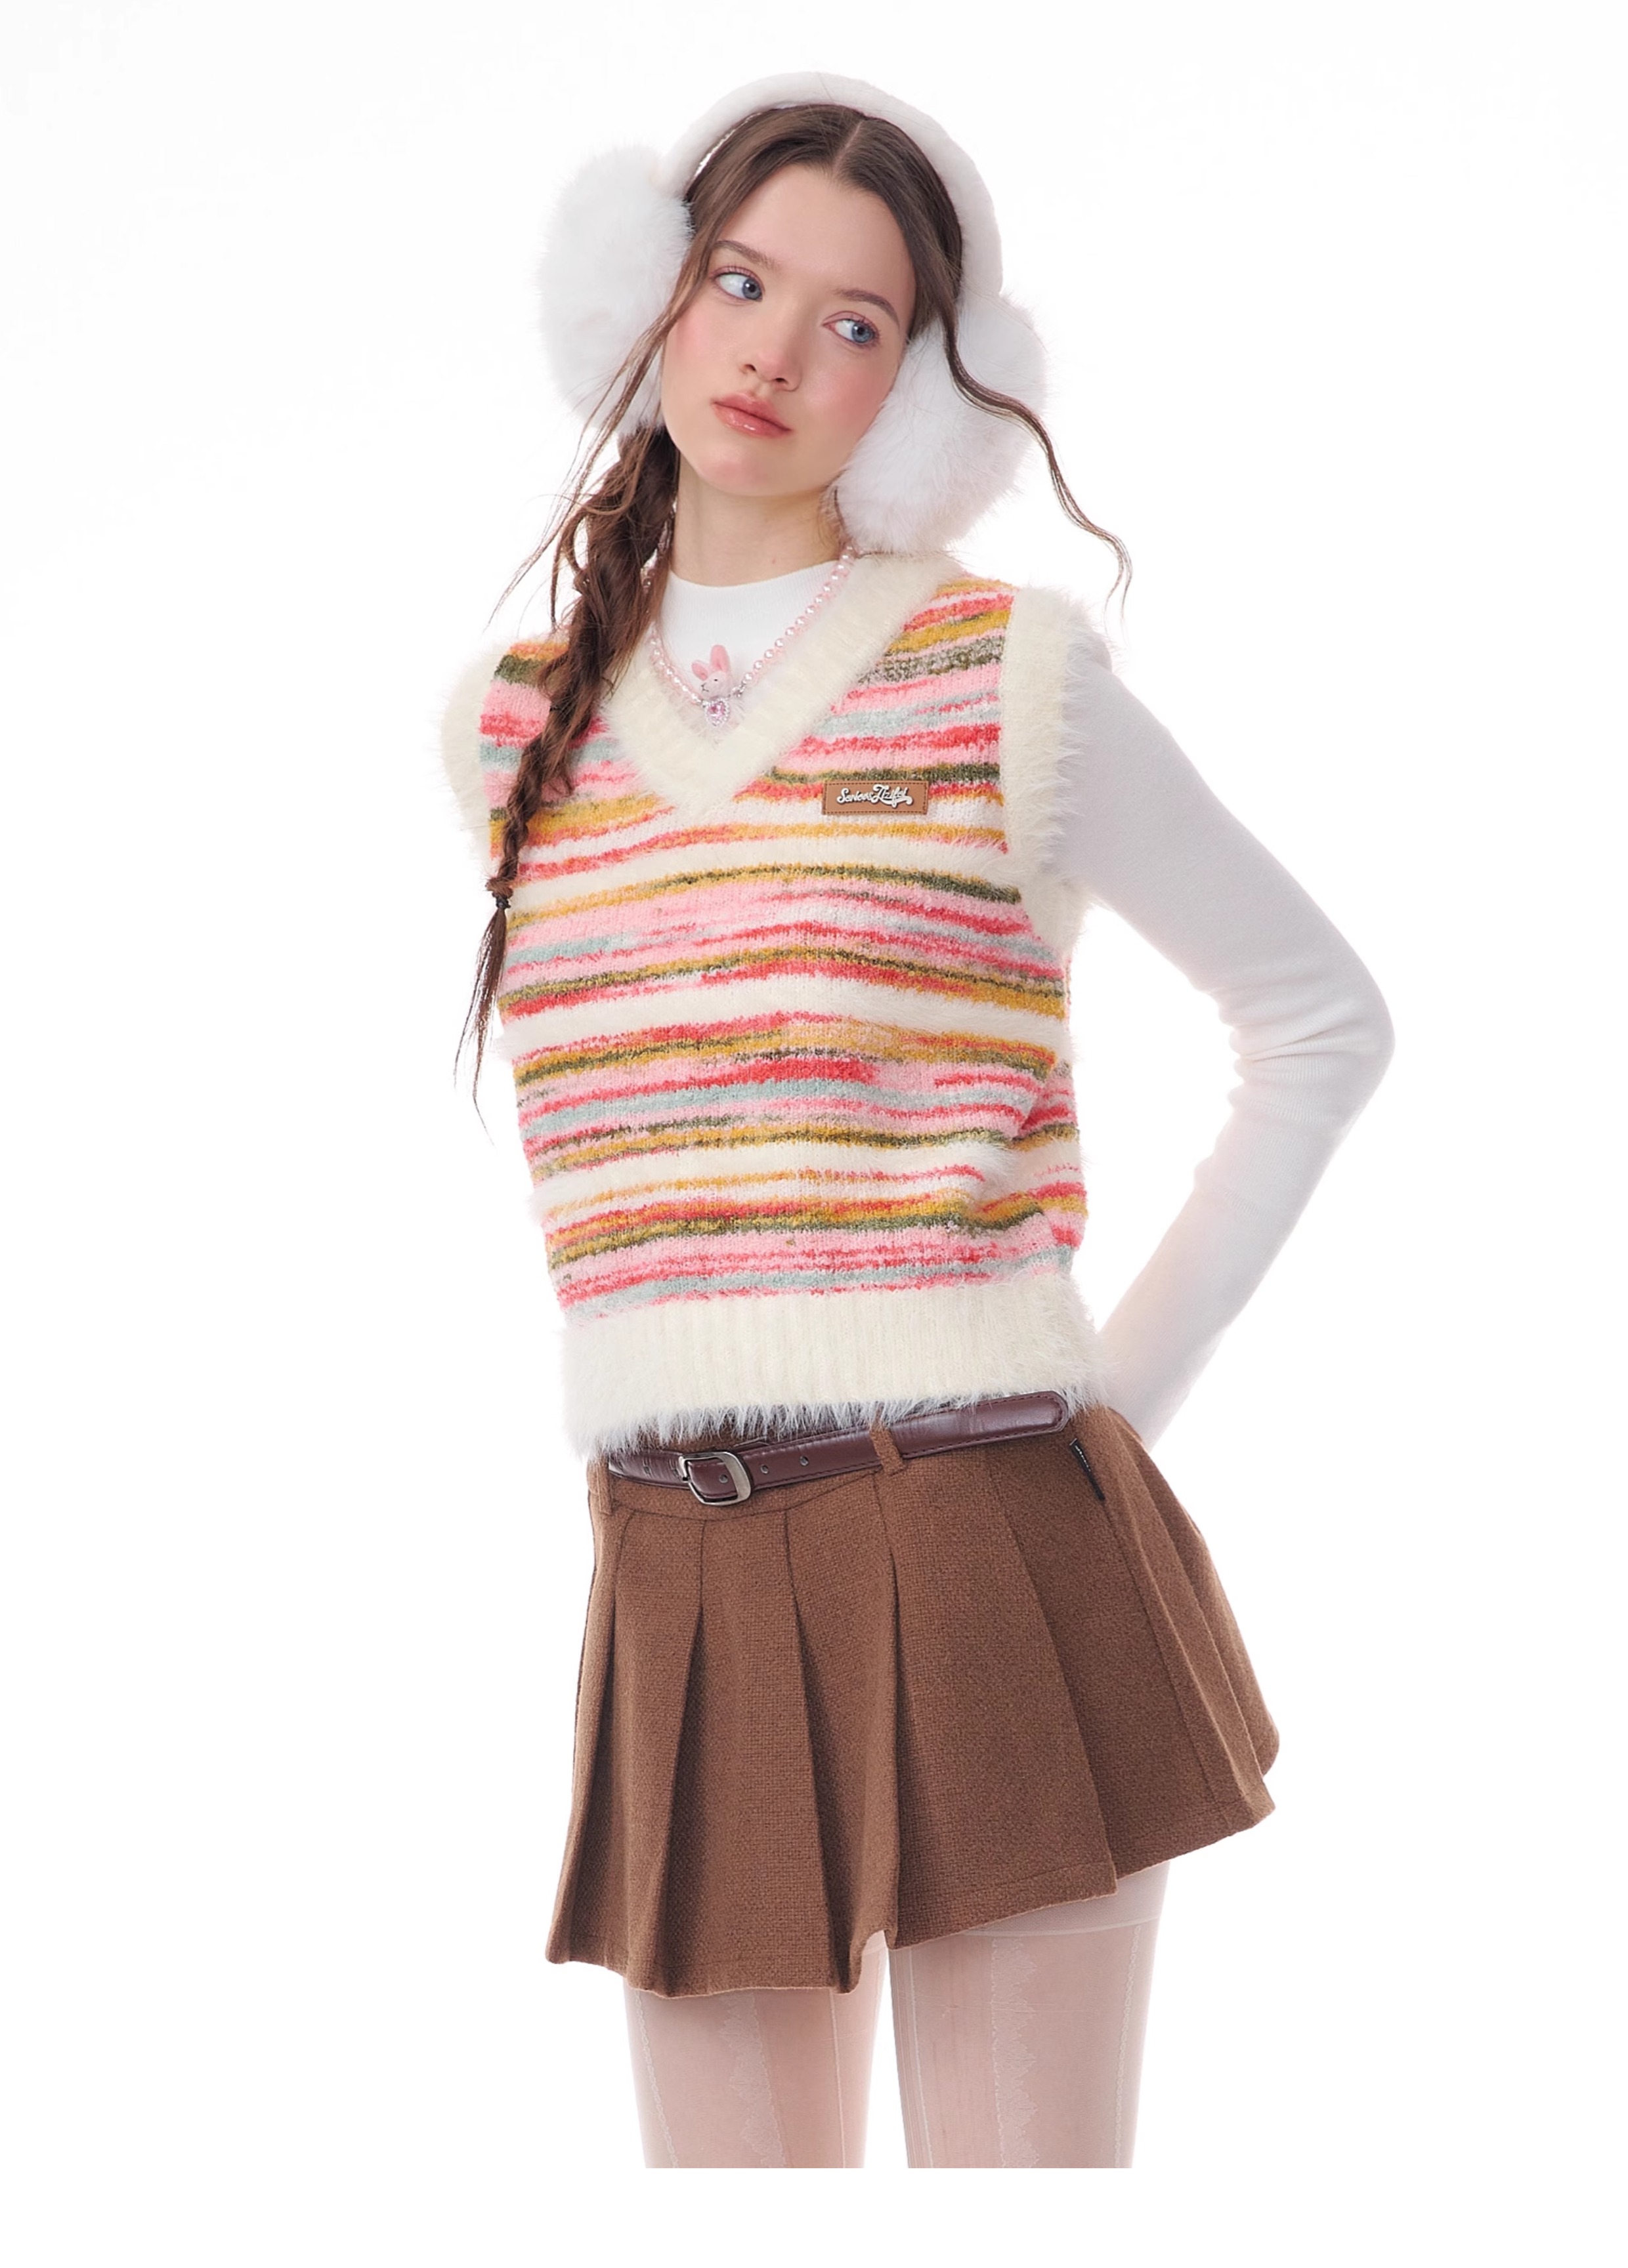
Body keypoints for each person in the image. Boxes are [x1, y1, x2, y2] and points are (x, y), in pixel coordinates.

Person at [437, 72, 1394, 2169]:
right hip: (672, 1565)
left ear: (925, 391)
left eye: (854, 320)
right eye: (740, 281)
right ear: (650, 295)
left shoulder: (1002, 679)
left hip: (983, 1537)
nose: (774, 353)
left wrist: (1098, 1398)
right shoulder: (515, 730)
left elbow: (1321, 1021)